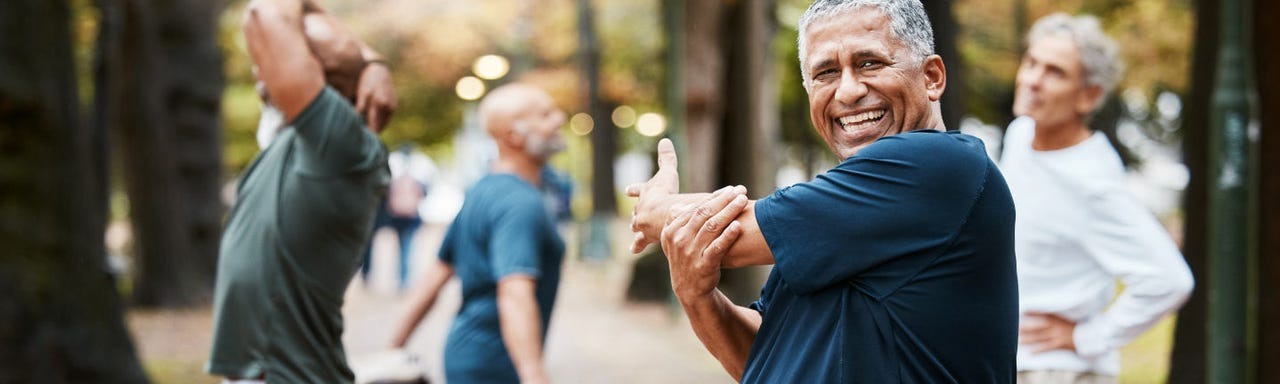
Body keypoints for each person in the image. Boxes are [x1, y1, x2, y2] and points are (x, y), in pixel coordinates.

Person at [628, 0, 1017, 382]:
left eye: (869, 63)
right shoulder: (838, 210)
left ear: (932, 77)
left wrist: (656, 209)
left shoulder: (941, 165)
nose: (847, 91)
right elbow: (769, 354)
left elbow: (723, 237)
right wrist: (698, 297)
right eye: (826, 73)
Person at [206, 0, 396, 382]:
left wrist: (369, 62)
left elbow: (266, 12)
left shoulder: (341, 148)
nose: (261, 69)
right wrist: (375, 62)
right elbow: (261, 19)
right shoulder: (296, 140)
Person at [1000, 13, 1194, 383]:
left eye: (1054, 72)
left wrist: (1087, 338)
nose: (1032, 81)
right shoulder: (1021, 134)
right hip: (1014, 362)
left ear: (1089, 96)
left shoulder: (1093, 183)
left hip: (1061, 372)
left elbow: (1170, 280)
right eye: (1031, 63)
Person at [387, 83, 567, 384]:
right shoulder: (520, 203)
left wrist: (392, 349)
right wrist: (534, 375)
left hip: (467, 359)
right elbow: (515, 293)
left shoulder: (481, 191)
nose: (558, 119)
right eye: (545, 114)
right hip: (497, 367)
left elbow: (436, 275)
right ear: (513, 135)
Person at [361, 145, 436, 292]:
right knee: (406, 248)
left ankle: (367, 275)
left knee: (372, 245)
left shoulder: (392, 162)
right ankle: (403, 280)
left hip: (388, 214)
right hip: (410, 215)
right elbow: (426, 190)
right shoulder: (421, 165)